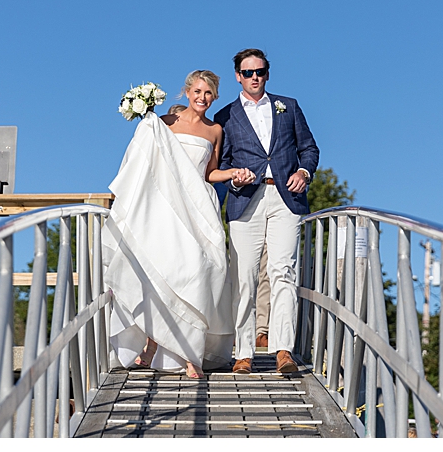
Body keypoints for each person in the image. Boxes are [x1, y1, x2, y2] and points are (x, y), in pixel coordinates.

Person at [102, 70, 255, 378]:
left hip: (199, 207)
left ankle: (191, 351)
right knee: (165, 271)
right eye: (198, 91)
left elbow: (209, 172)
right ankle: (152, 345)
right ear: (187, 92)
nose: (202, 97)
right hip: (169, 209)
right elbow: (145, 158)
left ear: (214, 97)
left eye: (209, 93)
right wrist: (144, 116)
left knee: (202, 272)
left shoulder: (215, 131)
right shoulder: (164, 124)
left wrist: (233, 173)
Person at [214, 48, 319, 374]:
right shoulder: (225, 117)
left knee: (283, 272)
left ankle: (282, 349)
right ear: (238, 76)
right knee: (243, 278)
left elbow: (309, 149)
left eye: (259, 71)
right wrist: (233, 179)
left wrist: (304, 172)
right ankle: (243, 352)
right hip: (245, 200)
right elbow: (221, 164)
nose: (254, 77)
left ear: (267, 74)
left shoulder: (289, 107)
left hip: (285, 199)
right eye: (248, 73)